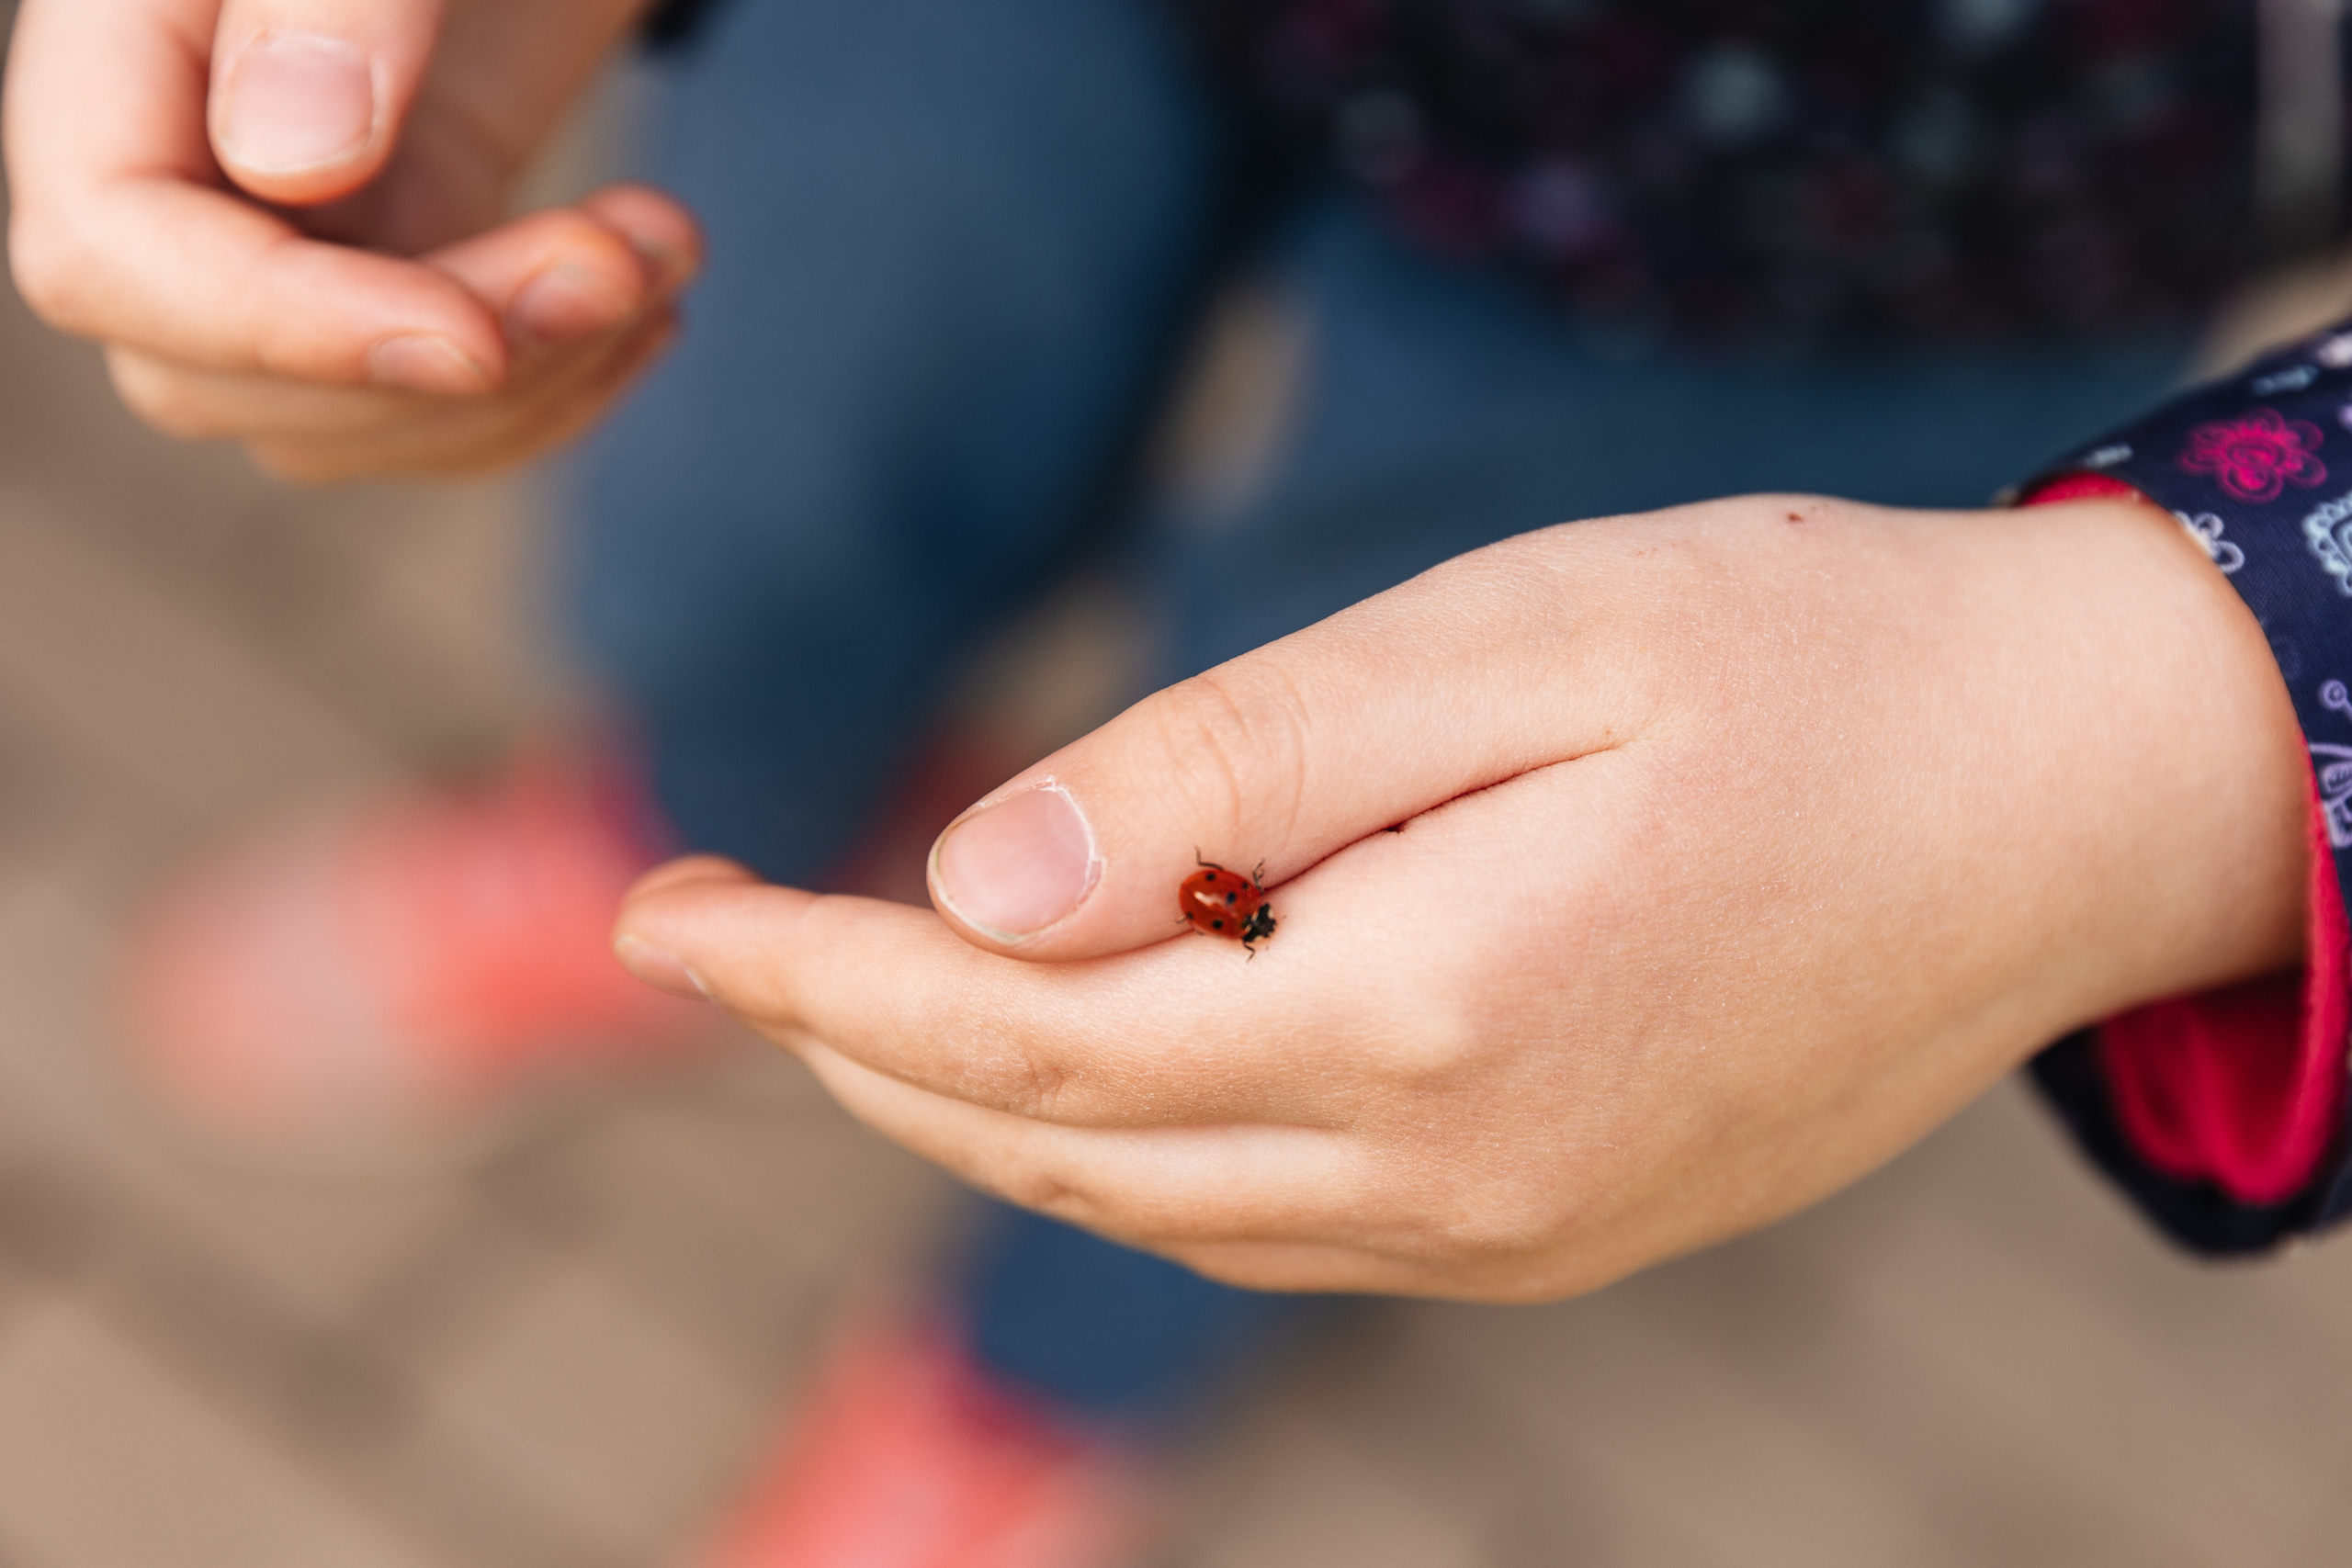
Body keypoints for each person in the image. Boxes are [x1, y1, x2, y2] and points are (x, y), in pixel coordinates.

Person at [9, 1, 2351, 1563]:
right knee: (751, 476)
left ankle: (1038, 1360)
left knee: (1379, 966)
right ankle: (677, 817)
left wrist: (2176, 705)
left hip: (1938, 163)